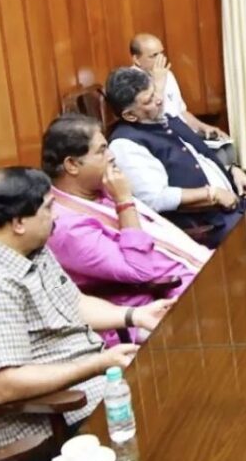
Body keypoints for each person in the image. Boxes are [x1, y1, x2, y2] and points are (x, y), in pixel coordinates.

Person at [0, 167, 172, 461]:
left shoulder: (33, 248)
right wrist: (98, 364)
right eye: (48, 208)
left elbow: (74, 304)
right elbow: (3, 386)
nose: (56, 217)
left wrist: (135, 315)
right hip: (55, 418)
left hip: (97, 384)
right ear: (18, 223)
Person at [42, 114, 212, 344]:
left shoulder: (101, 189)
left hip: (194, 270)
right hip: (157, 305)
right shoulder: (66, 227)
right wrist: (124, 201)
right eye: (101, 151)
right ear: (72, 165)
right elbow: (139, 271)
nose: (111, 155)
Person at [105, 67, 246, 249]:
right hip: (209, 224)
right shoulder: (125, 145)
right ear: (130, 115)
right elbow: (155, 198)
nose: (159, 99)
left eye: (155, 92)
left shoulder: (163, 118)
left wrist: (232, 170)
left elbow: (198, 157)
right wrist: (212, 194)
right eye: (149, 100)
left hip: (235, 199)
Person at [130, 33, 227, 139]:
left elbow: (180, 112)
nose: (161, 59)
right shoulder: (131, 82)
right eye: (154, 56)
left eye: (161, 53)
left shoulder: (167, 74)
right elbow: (152, 118)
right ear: (136, 59)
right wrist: (158, 84)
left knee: (225, 144)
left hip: (182, 131)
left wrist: (203, 126)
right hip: (161, 136)